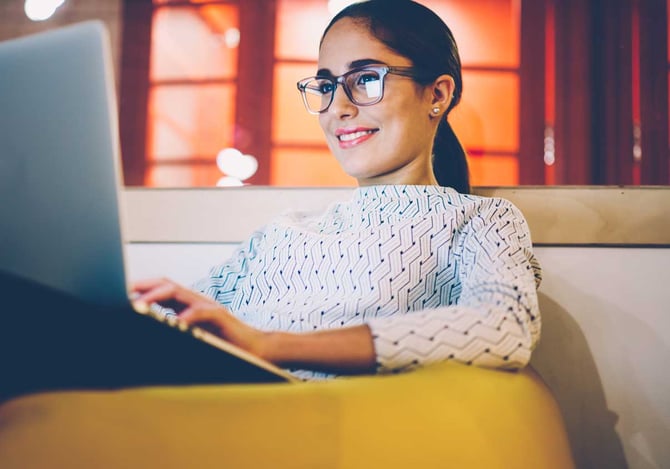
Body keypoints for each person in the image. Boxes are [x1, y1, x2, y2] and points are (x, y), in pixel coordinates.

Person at [131, 0, 542, 380]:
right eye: (327, 86)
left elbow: (506, 325)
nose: (339, 107)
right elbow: (177, 329)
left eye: (365, 78)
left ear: (437, 94)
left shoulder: (480, 220)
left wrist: (270, 346)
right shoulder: (280, 235)